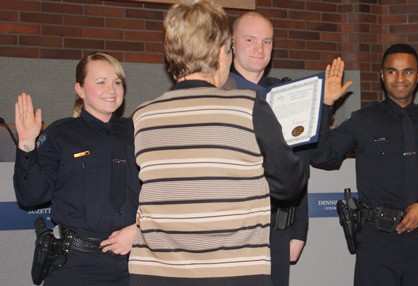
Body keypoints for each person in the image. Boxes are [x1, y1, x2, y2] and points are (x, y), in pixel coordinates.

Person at [128, 1, 306, 285]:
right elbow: (290, 184)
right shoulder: (249, 107)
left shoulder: (142, 116)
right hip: (232, 273)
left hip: (157, 274)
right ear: (222, 52)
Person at [311, 44, 418, 286]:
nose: (400, 78)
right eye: (392, 71)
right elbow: (323, 155)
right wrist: (326, 104)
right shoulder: (363, 120)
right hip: (376, 240)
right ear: (382, 75)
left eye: (407, 71)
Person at [223, 11, 345, 286]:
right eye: (251, 39)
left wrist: (323, 105)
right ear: (232, 42)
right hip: (231, 234)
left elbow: (301, 163)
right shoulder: (217, 94)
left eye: (267, 41)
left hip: (278, 231)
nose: (259, 48)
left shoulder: (287, 95)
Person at [13, 52, 140, 286]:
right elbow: (31, 196)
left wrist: (140, 230)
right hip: (78, 266)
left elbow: (162, 192)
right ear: (80, 90)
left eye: (117, 82)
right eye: (101, 82)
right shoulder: (61, 134)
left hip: (136, 263)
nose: (111, 90)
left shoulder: (139, 131)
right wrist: (27, 144)